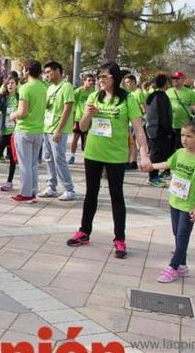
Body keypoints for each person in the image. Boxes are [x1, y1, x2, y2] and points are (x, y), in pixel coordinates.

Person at [68, 61, 151, 259]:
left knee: (116, 195)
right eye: (98, 77)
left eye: (104, 77)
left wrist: (144, 154)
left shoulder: (127, 100)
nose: (100, 80)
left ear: (115, 78)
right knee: (91, 194)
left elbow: (139, 129)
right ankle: (84, 231)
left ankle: (119, 238)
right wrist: (88, 113)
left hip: (115, 155)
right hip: (93, 152)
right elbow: (84, 127)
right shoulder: (95, 97)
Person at [146, 121, 195, 282]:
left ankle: (172, 267)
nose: (185, 139)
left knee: (182, 235)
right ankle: (182, 265)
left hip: (189, 205)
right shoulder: (180, 153)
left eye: (189, 136)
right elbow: (168, 164)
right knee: (177, 232)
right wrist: (151, 166)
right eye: (183, 135)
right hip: (175, 200)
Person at [9, 60, 47, 203]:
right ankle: (32, 191)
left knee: (24, 164)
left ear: (27, 70)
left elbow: (22, 112)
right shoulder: (44, 87)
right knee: (33, 164)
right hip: (39, 130)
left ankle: (25, 193)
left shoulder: (25, 88)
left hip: (25, 130)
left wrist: (12, 115)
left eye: (24, 69)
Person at [40, 61, 76, 200]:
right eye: (45, 72)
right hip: (47, 128)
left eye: (48, 72)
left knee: (59, 159)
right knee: (48, 158)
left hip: (58, 130)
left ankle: (69, 189)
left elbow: (67, 109)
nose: (46, 75)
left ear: (57, 71)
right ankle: (51, 186)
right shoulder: (49, 88)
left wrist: (59, 130)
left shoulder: (66, 86)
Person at [145, 74, 174, 187]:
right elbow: (163, 116)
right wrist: (168, 130)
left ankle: (155, 175)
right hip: (158, 130)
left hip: (152, 128)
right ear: (165, 84)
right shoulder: (161, 96)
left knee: (156, 153)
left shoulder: (153, 95)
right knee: (157, 154)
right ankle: (152, 177)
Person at [69, 73, 95, 164]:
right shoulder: (78, 91)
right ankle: (72, 156)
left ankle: (87, 157)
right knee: (75, 138)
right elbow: (71, 104)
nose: (91, 82)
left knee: (88, 140)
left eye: (92, 81)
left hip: (89, 120)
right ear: (84, 81)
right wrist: (72, 120)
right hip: (78, 119)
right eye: (89, 80)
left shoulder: (93, 92)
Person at [166, 71, 195, 151]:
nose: (175, 80)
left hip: (184, 125)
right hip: (170, 125)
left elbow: (194, 107)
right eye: (173, 78)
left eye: (177, 78)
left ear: (183, 80)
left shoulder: (190, 93)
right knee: (170, 147)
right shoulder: (168, 91)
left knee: (183, 147)